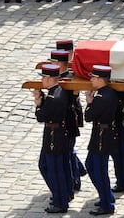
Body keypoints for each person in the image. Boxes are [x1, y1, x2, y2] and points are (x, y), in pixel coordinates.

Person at [33, 64, 70, 214]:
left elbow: (41, 116)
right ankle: (61, 195)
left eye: (43, 77)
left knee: (53, 169)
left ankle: (60, 201)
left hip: (54, 137)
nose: (42, 80)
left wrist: (38, 104)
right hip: (57, 135)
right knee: (47, 166)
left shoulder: (53, 97)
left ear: (49, 79)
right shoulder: (59, 91)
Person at [48, 49, 85, 193]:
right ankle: (75, 176)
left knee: (68, 153)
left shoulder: (70, 78)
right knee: (69, 152)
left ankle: (74, 180)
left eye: (53, 62)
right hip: (66, 119)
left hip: (68, 120)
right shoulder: (61, 77)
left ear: (59, 63)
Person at [84, 65, 118, 216]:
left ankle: (106, 204)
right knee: (91, 164)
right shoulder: (110, 93)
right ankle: (107, 195)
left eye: (93, 77)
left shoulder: (100, 98)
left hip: (101, 137)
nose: (91, 79)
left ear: (99, 79)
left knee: (99, 170)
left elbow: (89, 116)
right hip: (103, 133)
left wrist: (89, 102)